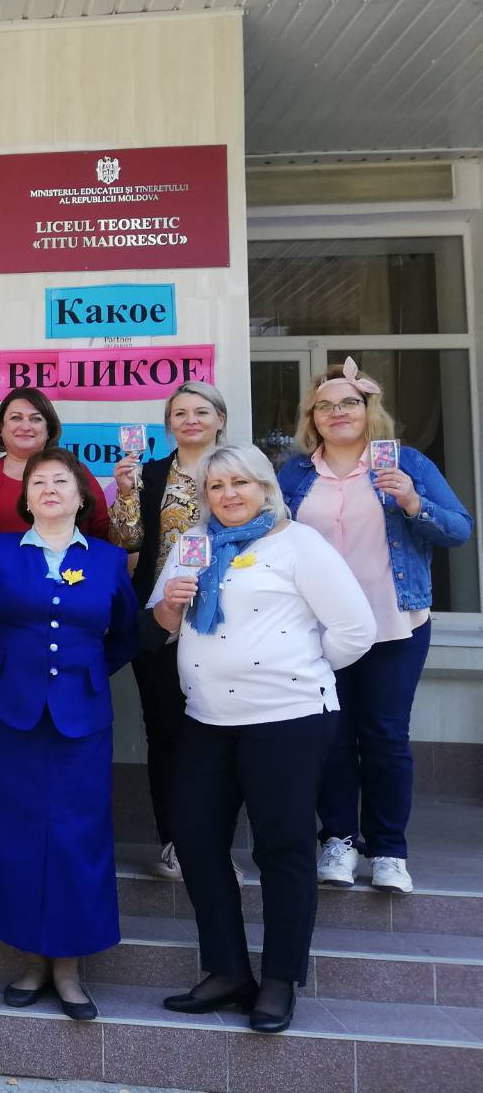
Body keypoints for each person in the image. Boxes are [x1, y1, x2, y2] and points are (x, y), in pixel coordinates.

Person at [151, 443, 375, 1034]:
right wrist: (171, 604)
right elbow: (164, 625)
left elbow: (355, 629)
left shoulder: (299, 544)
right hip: (206, 719)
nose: (228, 494)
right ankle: (227, 970)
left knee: (283, 848)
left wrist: (297, 668)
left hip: (287, 719)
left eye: (240, 483)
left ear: (264, 487)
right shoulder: (193, 544)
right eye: (216, 486)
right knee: (195, 839)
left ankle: (279, 979)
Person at [0, 447, 138, 1021]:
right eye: (38, 482)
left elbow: (125, 635)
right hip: (11, 713)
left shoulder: (108, 559)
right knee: (16, 834)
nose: (50, 488)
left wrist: (84, 674)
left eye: (62, 481)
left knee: (80, 837)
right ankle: (30, 959)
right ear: (25, 498)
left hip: (81, 718)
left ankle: (70, 967)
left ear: (82, 497)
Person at [277, 359, 473, 895]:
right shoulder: (294, 474)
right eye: (325, 406)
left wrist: (412, 500)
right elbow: (266, 533)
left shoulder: (406, 463)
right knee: (332, 735)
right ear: (312, 417)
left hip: (394, 622)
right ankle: (338, 839)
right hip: (318, 628)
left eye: (349, 402)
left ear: (368, 409)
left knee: (385, 737)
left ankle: (389, 850)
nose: (337, 412)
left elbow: (458, 530)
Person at [108, 380, 229, 879]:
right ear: (168, 425)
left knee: (222, 735)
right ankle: (175, 839)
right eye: (180, 413)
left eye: (201, 411)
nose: (191, 420)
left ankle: (215, 844)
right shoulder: (152, 473)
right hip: (161, 621)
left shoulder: (239, 471)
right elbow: (128, 540)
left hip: (229, 625)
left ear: (220, 419)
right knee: (166, 732)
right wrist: (126, 493)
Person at [0, 388, 112, 720]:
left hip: (64, 613)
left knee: (64, 712)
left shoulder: (74, 473)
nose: (25, 426)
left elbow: (101, 536)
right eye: (15, 418)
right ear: (0, 428)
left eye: (36, 418)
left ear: (49, 428)